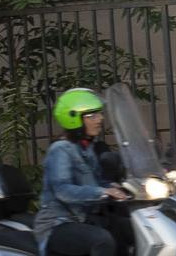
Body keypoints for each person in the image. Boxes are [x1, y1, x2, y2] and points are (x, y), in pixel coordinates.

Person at [36, 88, 129, 256]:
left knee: (129, 229)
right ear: (73, 119)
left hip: (85, 219)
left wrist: (118, 186)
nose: (100, 119)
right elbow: (63, 190)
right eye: (92, 116)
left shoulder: (87, 148)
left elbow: (96, 181)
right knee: (102, 240)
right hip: (59, 223)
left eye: (99, 114)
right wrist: (103, 191)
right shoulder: (60, 149)